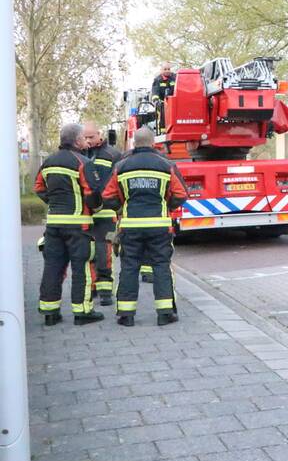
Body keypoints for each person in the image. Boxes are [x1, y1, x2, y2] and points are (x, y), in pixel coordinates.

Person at [101, 126, 187, 327]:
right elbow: (181, 194)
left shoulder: (121, 166)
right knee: (161, 266)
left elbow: (107, 196)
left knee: (129, 267)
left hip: (130, 227)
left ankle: (126, 315)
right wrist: (167, 205)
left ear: (134, 143)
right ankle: (165, 313)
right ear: (153, 143)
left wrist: (122, 207)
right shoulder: (166, 165)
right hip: (159, 226)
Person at [34, 123, 104, 326]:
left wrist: (53, 202)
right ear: (77, 141)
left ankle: (50, 312)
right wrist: (96, 208)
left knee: (53, 266)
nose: (86, 141)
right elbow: (92, 193)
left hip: (54, 225)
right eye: (84, 138)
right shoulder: (83, 162)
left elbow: (38, 187)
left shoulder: (48, 162)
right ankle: (82, 312)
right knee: (81, 268)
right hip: (78, 226)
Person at [83, 122, 122, 306]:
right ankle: (92, 287)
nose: (88, 140)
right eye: (85, 137)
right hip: (85, 213)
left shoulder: (113, 155)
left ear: (100, 134)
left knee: (104, 251)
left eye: (91, 137)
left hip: (106, 213)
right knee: (88, 252)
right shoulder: (80, 154)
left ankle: (105, 291)